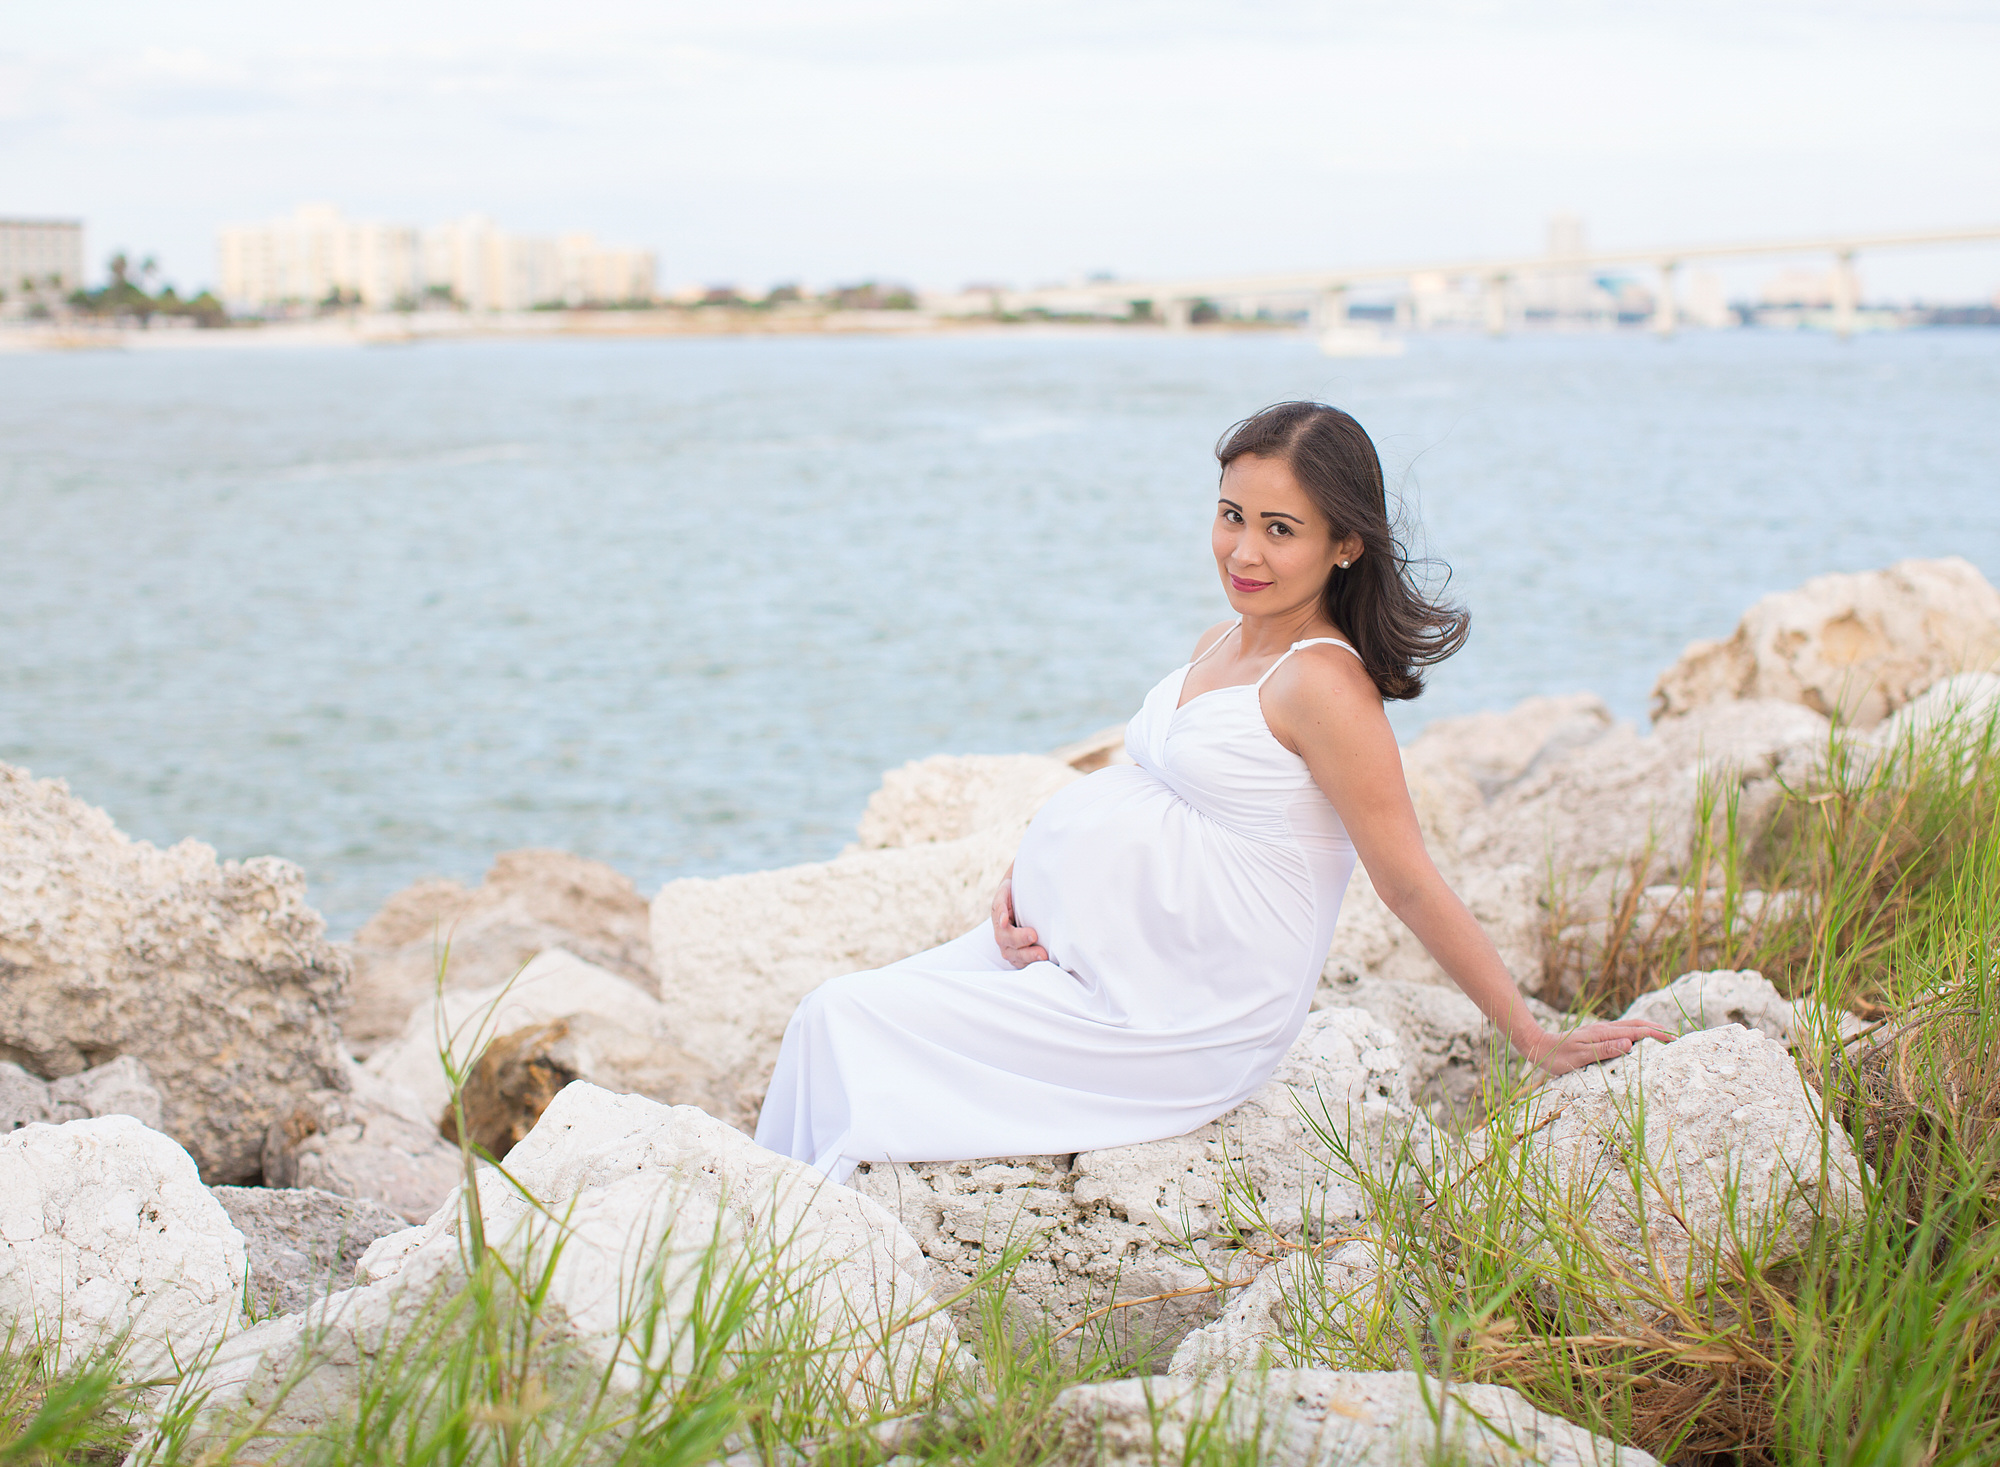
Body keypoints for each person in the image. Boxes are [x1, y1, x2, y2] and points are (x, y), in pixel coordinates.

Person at [755, 400, 1673, 1183]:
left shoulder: (1325, 687)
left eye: (1281, 529)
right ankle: (777, 1253)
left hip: (1179, 1021)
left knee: (842, 1024)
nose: (1243, 550)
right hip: (1083, 963)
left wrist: (1531, 1036)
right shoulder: (1221, 641)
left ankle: (786, 1265)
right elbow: (1148, 797)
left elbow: (1407, 881)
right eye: (1232, 515)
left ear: (1345, 544)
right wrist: (1025, 889)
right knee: (828, 1020)